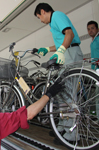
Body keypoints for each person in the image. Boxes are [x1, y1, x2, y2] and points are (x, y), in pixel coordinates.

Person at [34, 3, 83, 142]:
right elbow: (62, 41)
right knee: (61, 93)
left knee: (68, 95)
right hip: (67, 53)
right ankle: (62, 127)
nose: (40, 20)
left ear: (43, 11)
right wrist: (47, 49)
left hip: (71, 53)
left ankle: (72, 135)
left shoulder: (57, 15)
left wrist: (61, 50)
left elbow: (69, 34)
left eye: (39, 17)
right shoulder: (53, 22)